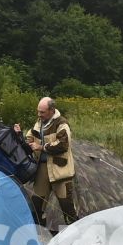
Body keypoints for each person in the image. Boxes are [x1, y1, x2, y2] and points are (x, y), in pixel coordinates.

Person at [23, 96, 77, 231]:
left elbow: (63, 145)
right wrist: (18, 135)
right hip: (42, 169)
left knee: (67, 206)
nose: (39, 114)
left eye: (42, 112)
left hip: (61, 171)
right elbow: (29, 139)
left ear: (51, 110)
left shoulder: (62, 124)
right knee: (37, 205)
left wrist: (41, 147)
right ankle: (40, 235)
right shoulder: (38, 123)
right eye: (38, 111)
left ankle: (75, 236)